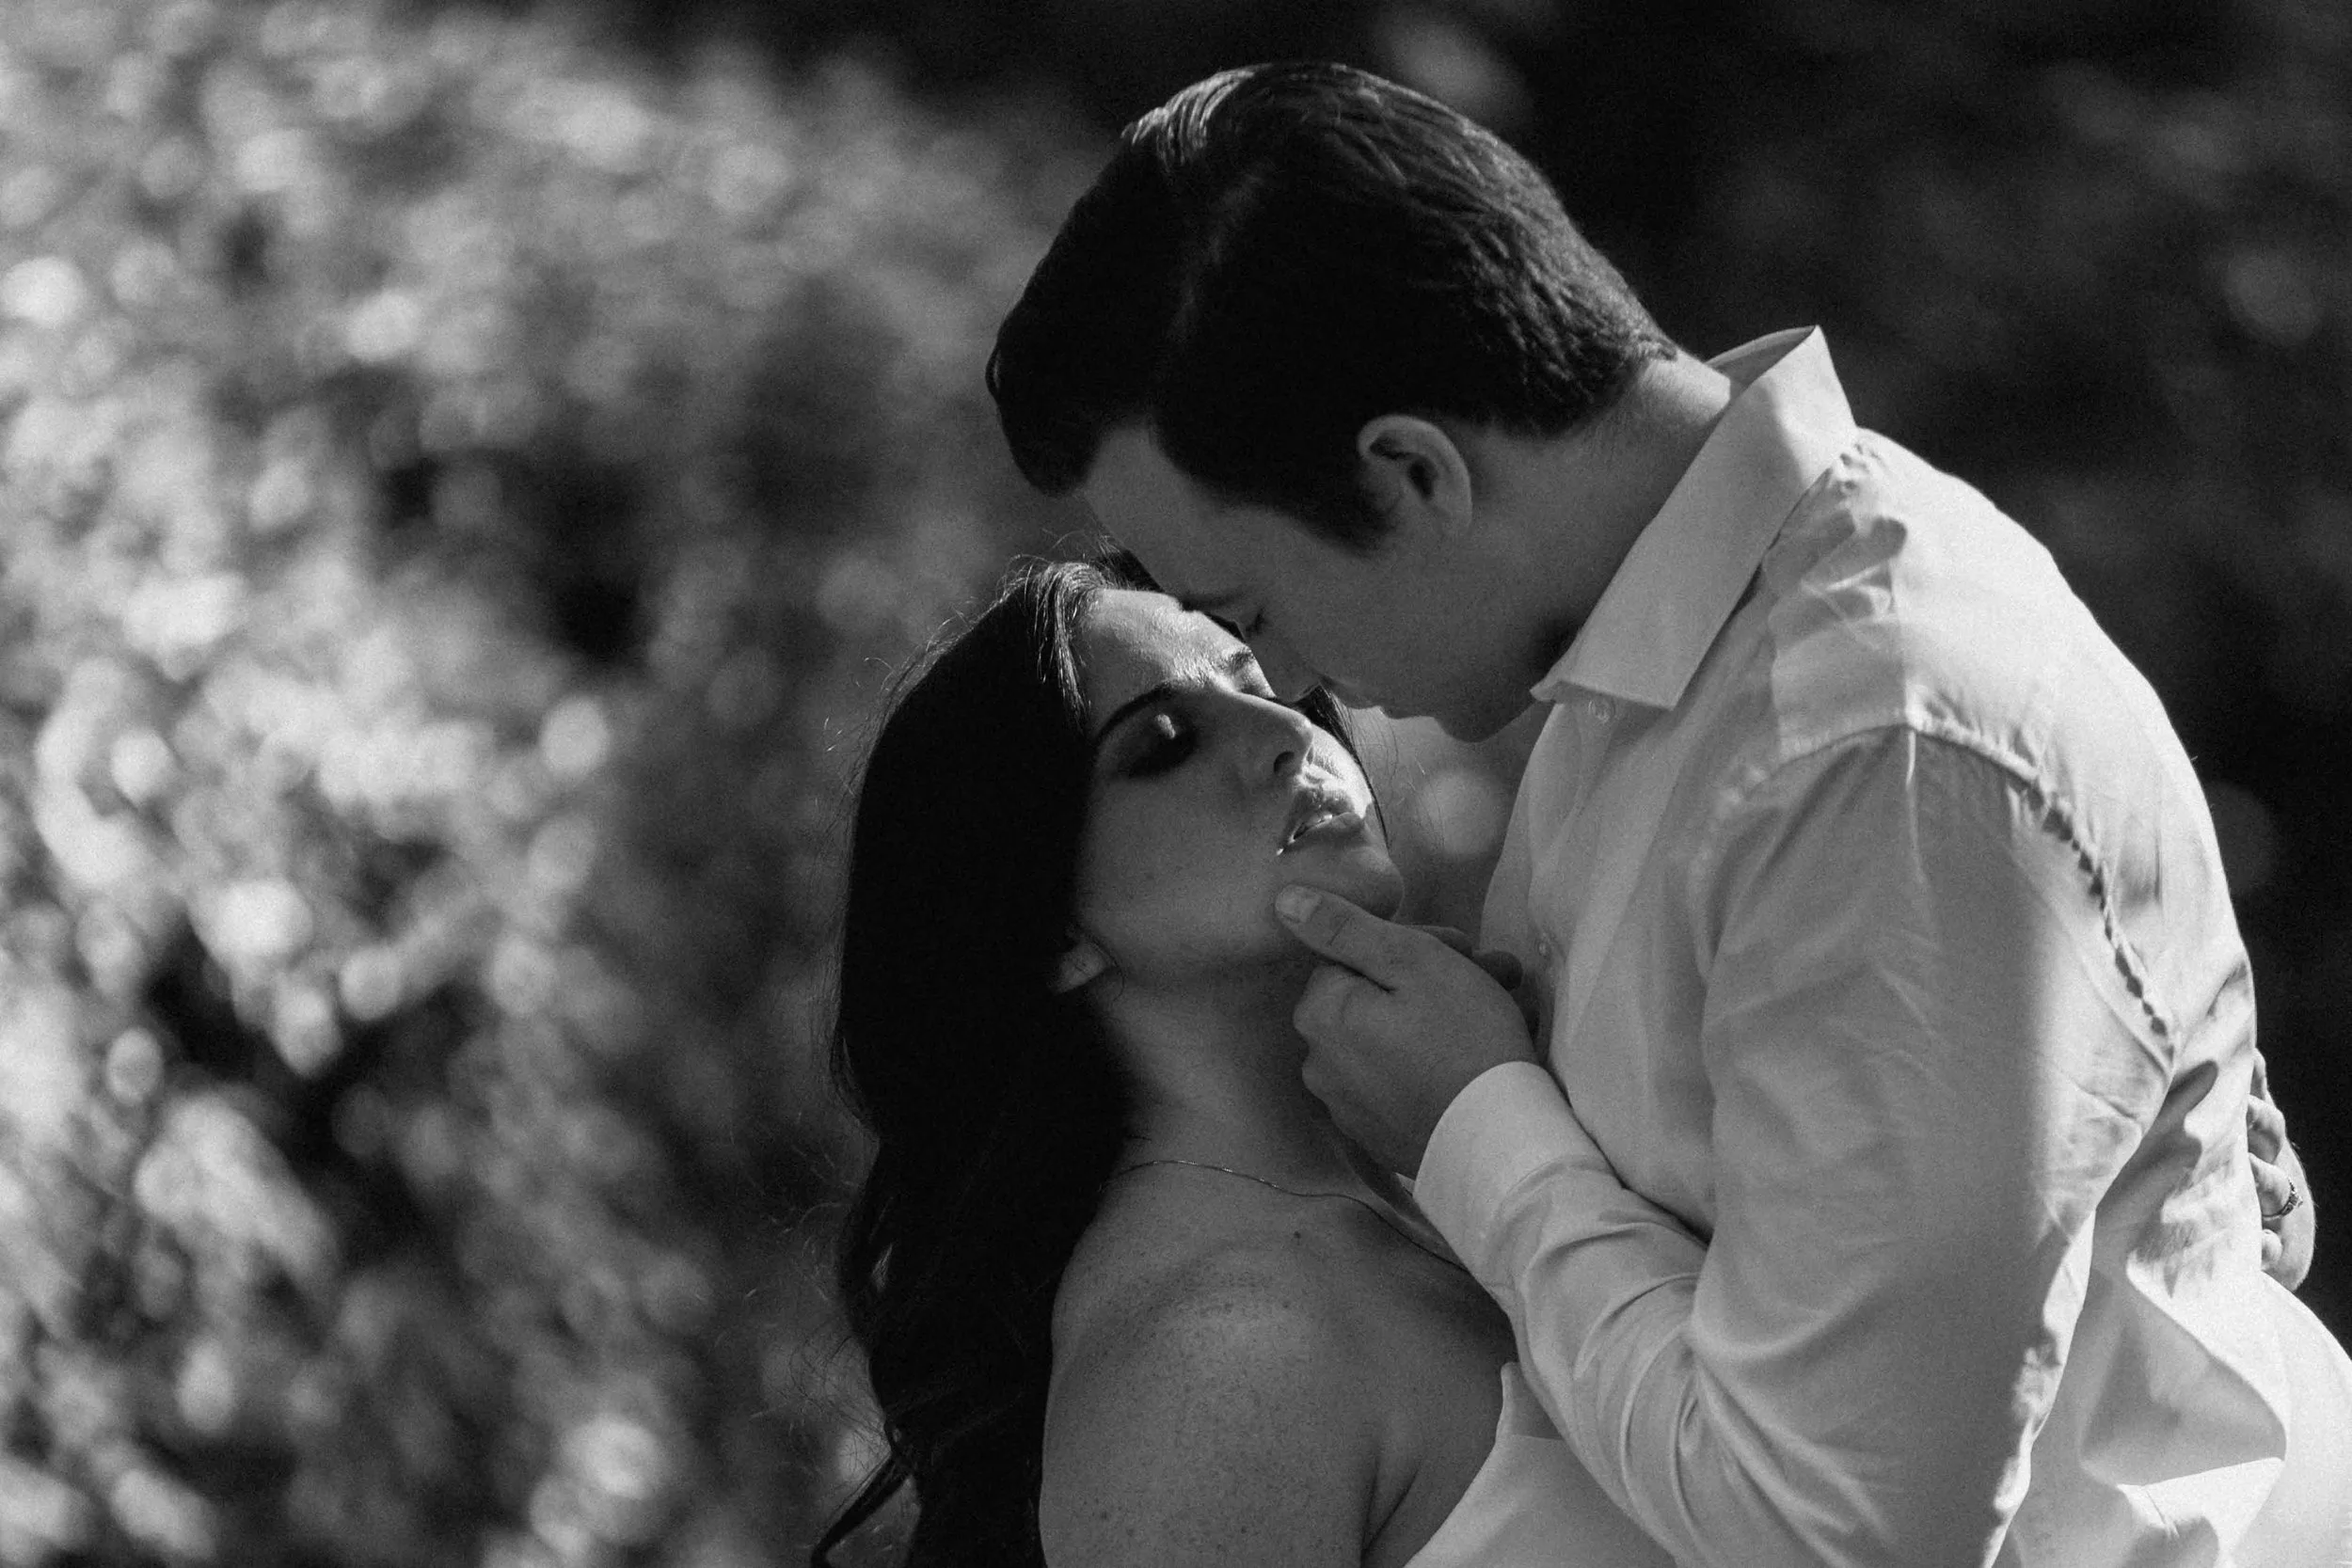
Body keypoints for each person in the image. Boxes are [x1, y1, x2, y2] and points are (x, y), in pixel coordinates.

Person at [987, 61, 2352, 1567]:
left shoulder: (1866, 746)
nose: (1297, 686)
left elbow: (1847, 1541)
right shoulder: (1657, 680)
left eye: (1255, 613)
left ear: (1412, 471)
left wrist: (1480, 1130)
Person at [816, 556, 1680, 1567]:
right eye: (1168, 741)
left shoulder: (1446, 1161)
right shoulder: (1208, 1357)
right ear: (1048, 927)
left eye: (1263, 685)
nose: (1285, 739)